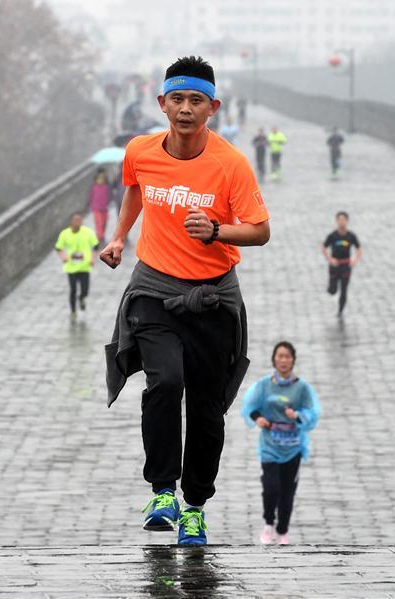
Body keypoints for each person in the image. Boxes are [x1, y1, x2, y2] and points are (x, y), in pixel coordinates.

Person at [100, 55, 270, 547]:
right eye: (177, 99)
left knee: (206, 408)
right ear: (162, 104)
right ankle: (161, 492)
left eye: (196, 100)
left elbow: (260, 230)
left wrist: (217, 231)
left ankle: (194, 506)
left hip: (213, 297)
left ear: (212, 107)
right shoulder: (140, 150)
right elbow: (135, 189)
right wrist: (118, 237)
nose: (186, 109)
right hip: (153, 287)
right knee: (164, 381)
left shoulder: (230, 163)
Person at [240, 342, 320, 546]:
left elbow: (312, 413)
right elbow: (250, 407)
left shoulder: (302, 388)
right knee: (270, 487)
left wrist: (298, 415)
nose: (283, 360)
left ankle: (283, 530)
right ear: (274, 359)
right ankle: (269, 523)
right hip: (269, 446)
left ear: (293, 359)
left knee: (287, 491)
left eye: (287, 356)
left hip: (293, 447)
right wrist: (258, 418)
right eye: (280, 356)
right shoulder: (264, 385)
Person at [55, 213, 99, 317]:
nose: (78, 222)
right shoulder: (64, 234)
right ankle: (73, 310)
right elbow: (58, 247)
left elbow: (96, 246)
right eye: (75, 220)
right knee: (73, 289)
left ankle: (82, 298)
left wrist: (93, 259)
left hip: (84, 267)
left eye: (80, 220)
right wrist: (63, 257)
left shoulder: (88, 232)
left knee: (85, 290)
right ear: (71, 221)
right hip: (71, 267)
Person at [321, 211, 361, 317]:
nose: (342, 222)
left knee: (344, 289)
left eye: (344, 220)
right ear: (337, 221)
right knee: (332, 290)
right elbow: (324, 247)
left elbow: (359, 248)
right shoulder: (333, 235)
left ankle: (340, 311)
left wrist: (355, 260)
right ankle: (332, 288)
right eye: (340, 220)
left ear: (347, 221)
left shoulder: (351, 236)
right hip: (334, 266)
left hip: (346, 266)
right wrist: (329, 259)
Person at [89, 167, 112, 241]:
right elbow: (90, 196)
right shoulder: (94, 186)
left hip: (104, 208)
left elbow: (110, 196)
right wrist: (89, 205)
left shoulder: (107, 186)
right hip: (96, 208)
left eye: (103, 177)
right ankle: (99, 237)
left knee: (104, 222)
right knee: (99, 222)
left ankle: (102, 235)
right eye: (100, 177)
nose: (101, 179)